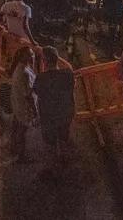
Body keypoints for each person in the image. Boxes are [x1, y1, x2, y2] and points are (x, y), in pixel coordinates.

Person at [34, 46, 75, 176]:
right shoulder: (68, 74)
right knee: (63, 139)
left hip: (49, 116)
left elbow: (36, 92)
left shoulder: (41, 78)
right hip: (65, 113)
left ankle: (53, 170)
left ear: (44, 61)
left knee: (50, 145)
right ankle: (65, 163)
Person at [8, 46, 37, 163]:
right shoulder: (24, 72)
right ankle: (21, 156)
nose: (33, 56)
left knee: (16, 124)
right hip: (23, 104)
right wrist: (35, 111)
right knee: (22, 130)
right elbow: (28, 95)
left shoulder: (21, 67)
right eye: (30, 54)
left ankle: (13, 147)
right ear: (24, 56)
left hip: (17, 100)